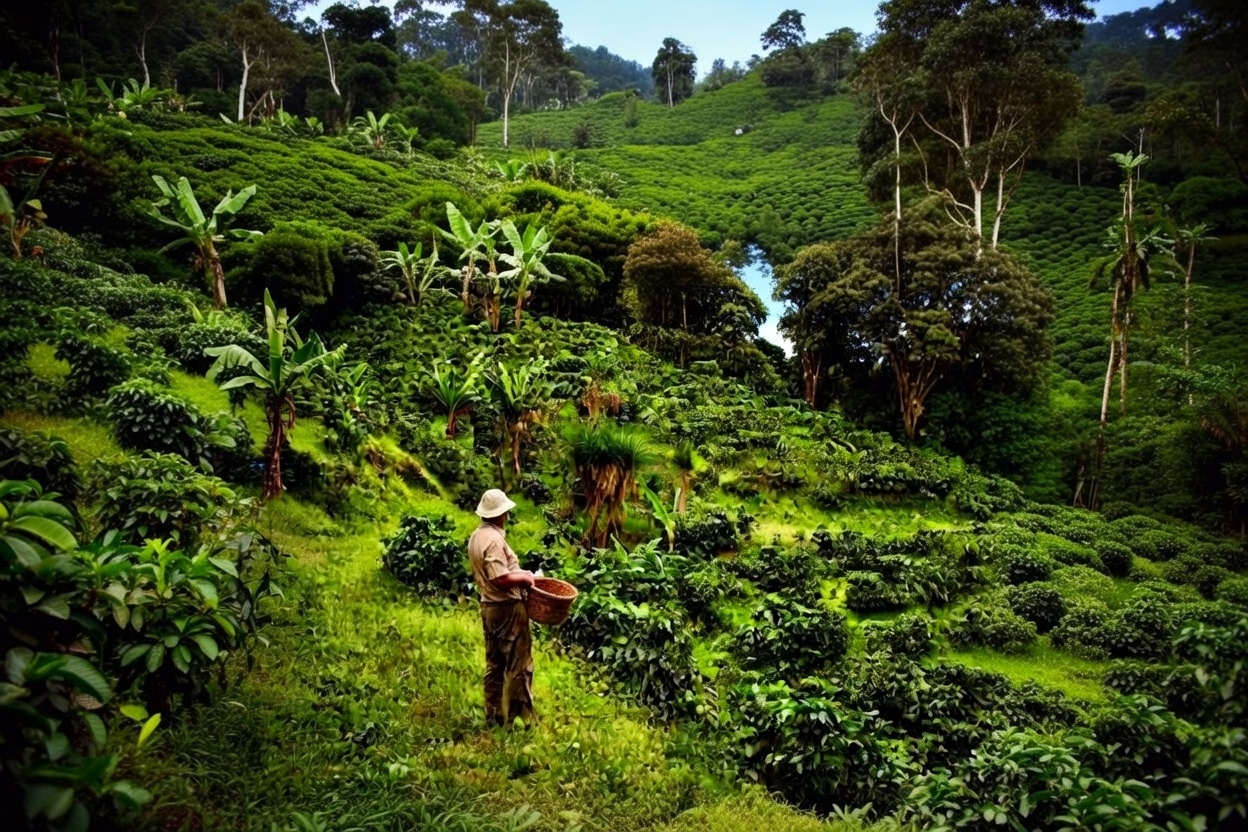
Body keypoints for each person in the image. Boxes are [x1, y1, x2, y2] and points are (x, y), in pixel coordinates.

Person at [467, 488, 539, 728]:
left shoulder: (477, 536)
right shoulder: (495, 540)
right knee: (519, 663)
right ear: (500, 514)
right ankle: (518, 718)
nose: (507, 515)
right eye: (505, 512)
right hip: (507, 607)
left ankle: (494, 713)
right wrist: (526, 578)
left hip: (488, 605)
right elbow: (500, 577)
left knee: (495, 663)